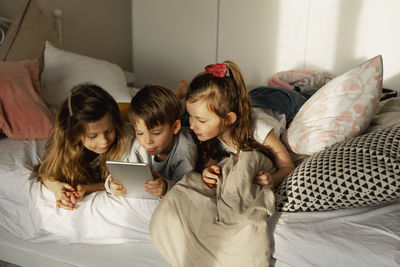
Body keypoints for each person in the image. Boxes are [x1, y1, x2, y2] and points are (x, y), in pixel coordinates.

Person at [185, 61, 295, 189]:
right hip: (251, 100)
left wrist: (274, 179)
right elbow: (209, 164)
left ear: (229, 119)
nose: (192, 126)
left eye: (201, 121)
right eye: (190, 117)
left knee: (304, 95)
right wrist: (207, 173)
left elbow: (287, 167)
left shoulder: (259, 130)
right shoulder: (207, 134)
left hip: (280, 101)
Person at [37, 83, 130, 210]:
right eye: (92, 136)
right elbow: (45, 172)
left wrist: (94, 187)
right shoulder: (67, 148)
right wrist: (56, 187)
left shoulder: (123, 142)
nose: (104, 141)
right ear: (75, 134)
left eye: (109, 131)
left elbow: (125, 183)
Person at [107, 85, 197, 198]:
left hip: (185, 124)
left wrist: (165, 187)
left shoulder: (185, 148)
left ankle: (181, 91)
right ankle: (178, 91)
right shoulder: (136, 144)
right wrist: (111, 185)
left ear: (175, 128)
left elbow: (186, 187)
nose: (147, 141)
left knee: (187, 107)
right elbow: (123, 173)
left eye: (156, 133)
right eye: (140, 133)